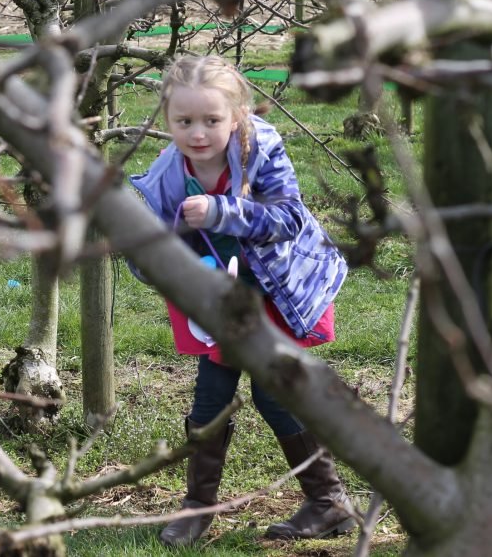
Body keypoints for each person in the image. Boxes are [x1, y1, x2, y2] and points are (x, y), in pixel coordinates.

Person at [126, 55, 355, 546]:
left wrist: (221, 213)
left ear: (237, 116)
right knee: (211, 395)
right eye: (184, 121)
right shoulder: (166, 176)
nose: (198, 133)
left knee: (274, 392)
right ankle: (199, 507)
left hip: (277, 288)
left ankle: (327, 501)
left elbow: (288, 218)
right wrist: (165, 240)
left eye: (212, 120)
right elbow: (146, 261)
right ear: (167, 119)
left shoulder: (261, 148)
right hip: (220, 298)